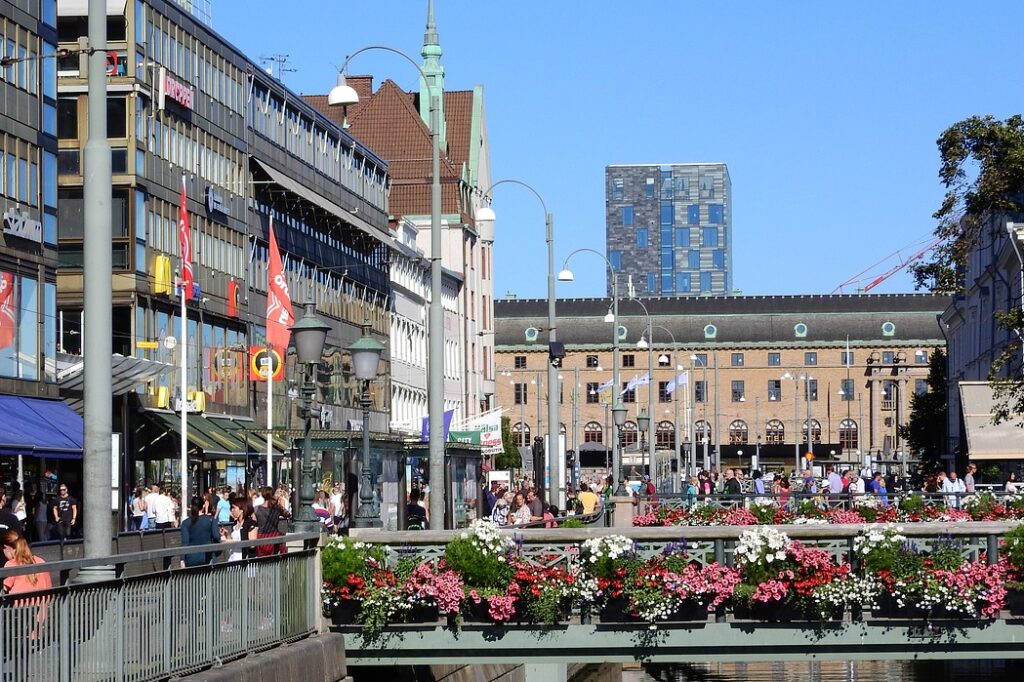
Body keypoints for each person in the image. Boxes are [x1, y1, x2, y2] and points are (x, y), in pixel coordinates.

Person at [180, 497, 220, 567]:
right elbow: (216, 536)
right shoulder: (211, 520)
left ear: (191, 506)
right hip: (208, 557)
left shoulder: (185, 523)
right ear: (203, 506)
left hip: (191, 558)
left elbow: (185, 543)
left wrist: (182, 559)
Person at [254, 487, 286, 556]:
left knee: (262, 558)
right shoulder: (277, 508)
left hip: (261, 536)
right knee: (273, 559)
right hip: (274, 535)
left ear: (262, 495)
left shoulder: (256, 509)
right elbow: (287, 514)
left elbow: (253, 519)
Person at [227, 496, 258, 562]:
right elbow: (233, 540)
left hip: (245, 561)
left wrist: (233, 543)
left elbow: (252, 545)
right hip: (233, 559)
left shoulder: (251, 524)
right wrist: (227, 535)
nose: (232, 510)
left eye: (234, 508)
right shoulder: (235, 524)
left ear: (241, 510)